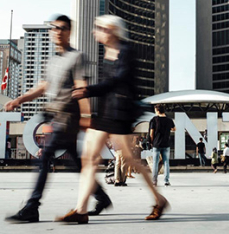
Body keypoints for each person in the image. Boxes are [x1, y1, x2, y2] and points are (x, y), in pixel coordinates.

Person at [56, 15, 169, 223]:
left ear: (111, 30)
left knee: (132, 160)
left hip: (121, 115)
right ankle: (81, 210)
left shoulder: (126, 51)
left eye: (99, 27)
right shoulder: (106, 53)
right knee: (89, 158)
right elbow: (109, 85)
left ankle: (159, 199)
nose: (94, 31)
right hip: (106, 112)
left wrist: (87, 90)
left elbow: (118, 81)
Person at [4, 15, 112, 223]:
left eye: (62, 28)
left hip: (68, 118)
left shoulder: (76, 57)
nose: (57, 31)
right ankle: (102, 197)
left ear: (69, 31)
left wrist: (87, 118)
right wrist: (20, 99)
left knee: (45, 157)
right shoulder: (52, 60)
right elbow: (43, 87)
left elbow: (81, 87)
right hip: (55, 116)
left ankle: (32, 206)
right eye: (54, 28)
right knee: (76, 163)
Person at [150, 104, 176, 187]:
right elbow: (174, 129)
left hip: (156, 144)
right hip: (166, 144)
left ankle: (154, 181)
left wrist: (152, 142)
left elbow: (151, 134)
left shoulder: (154, 120)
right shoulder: (169, 120)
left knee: (155, 163)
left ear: (157, 110)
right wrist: (169, 129)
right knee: (166, 163)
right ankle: (166, 181)